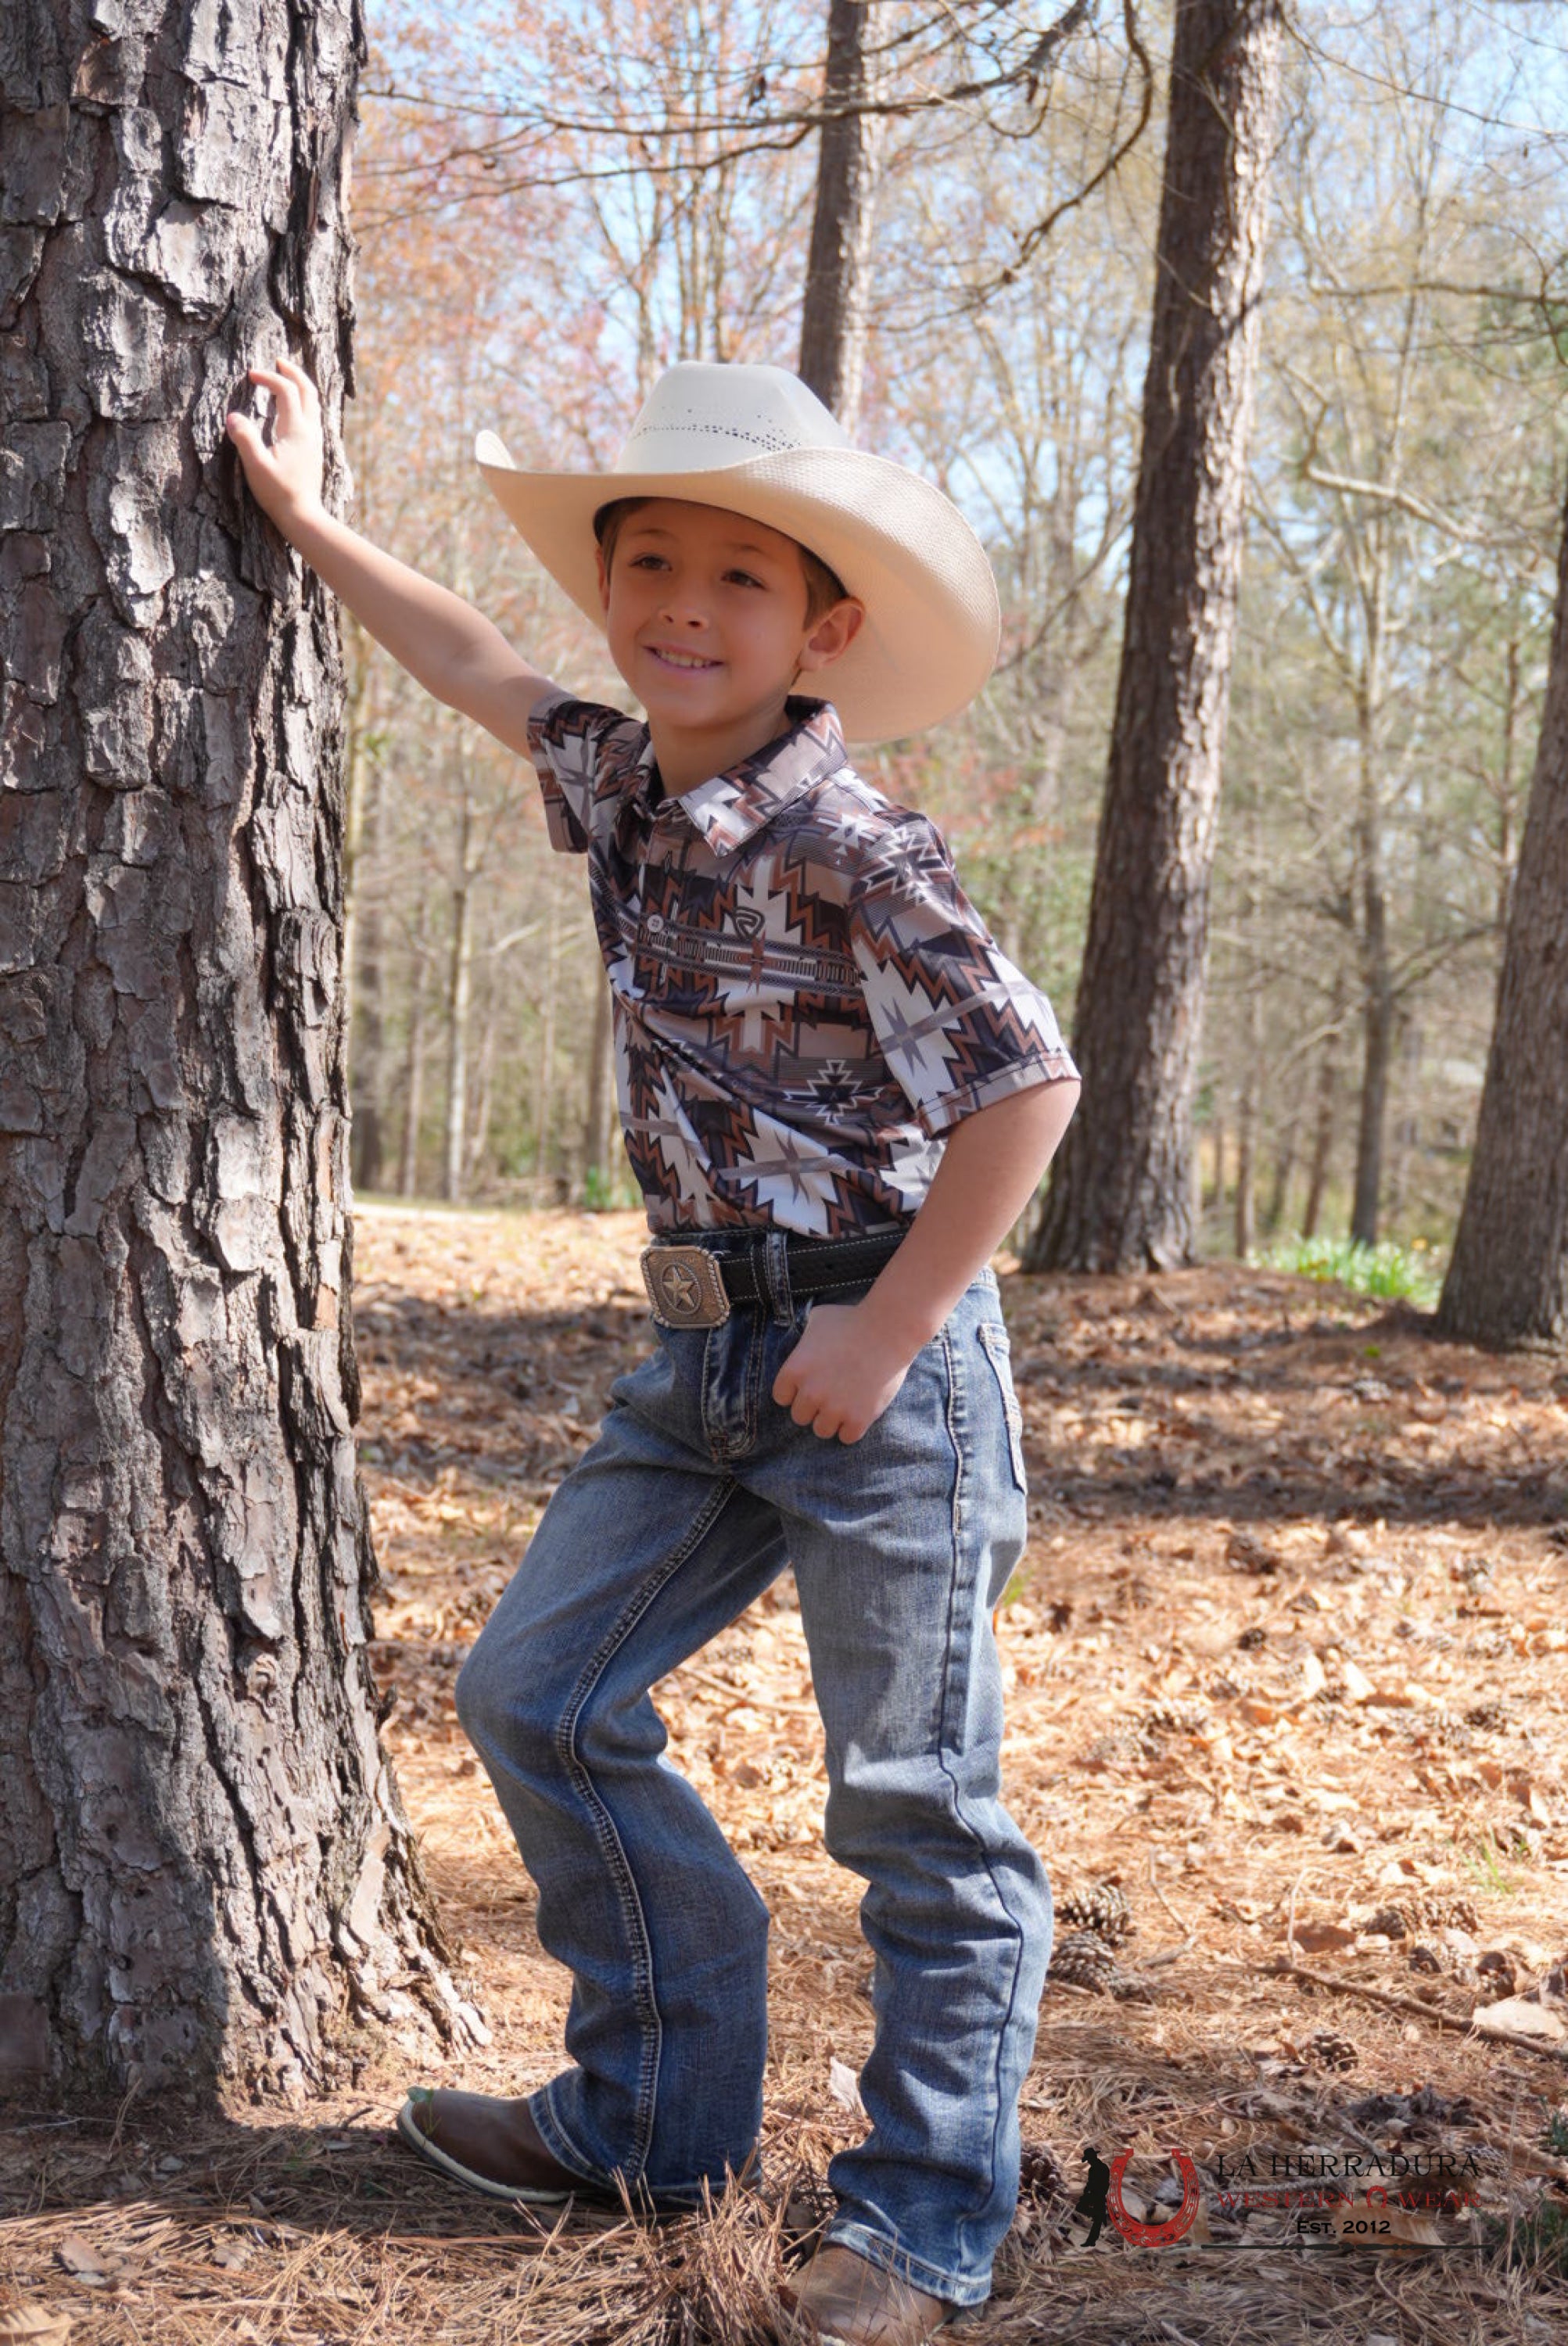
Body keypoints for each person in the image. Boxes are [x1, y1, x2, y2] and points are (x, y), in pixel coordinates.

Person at [228, 356, 1080, 2346]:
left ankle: (928, 2219)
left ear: (824, 628)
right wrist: (298, 506)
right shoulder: (618, 774)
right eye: (647, 568)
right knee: (538, 1693)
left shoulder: (863, 845)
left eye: (735, 580)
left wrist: (890, 1323)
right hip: (695, 1360)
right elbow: (463, 657)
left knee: (914, 1802)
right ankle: (651, 2122)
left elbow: (1024, 1088)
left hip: (883, 1361)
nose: (679, 609)